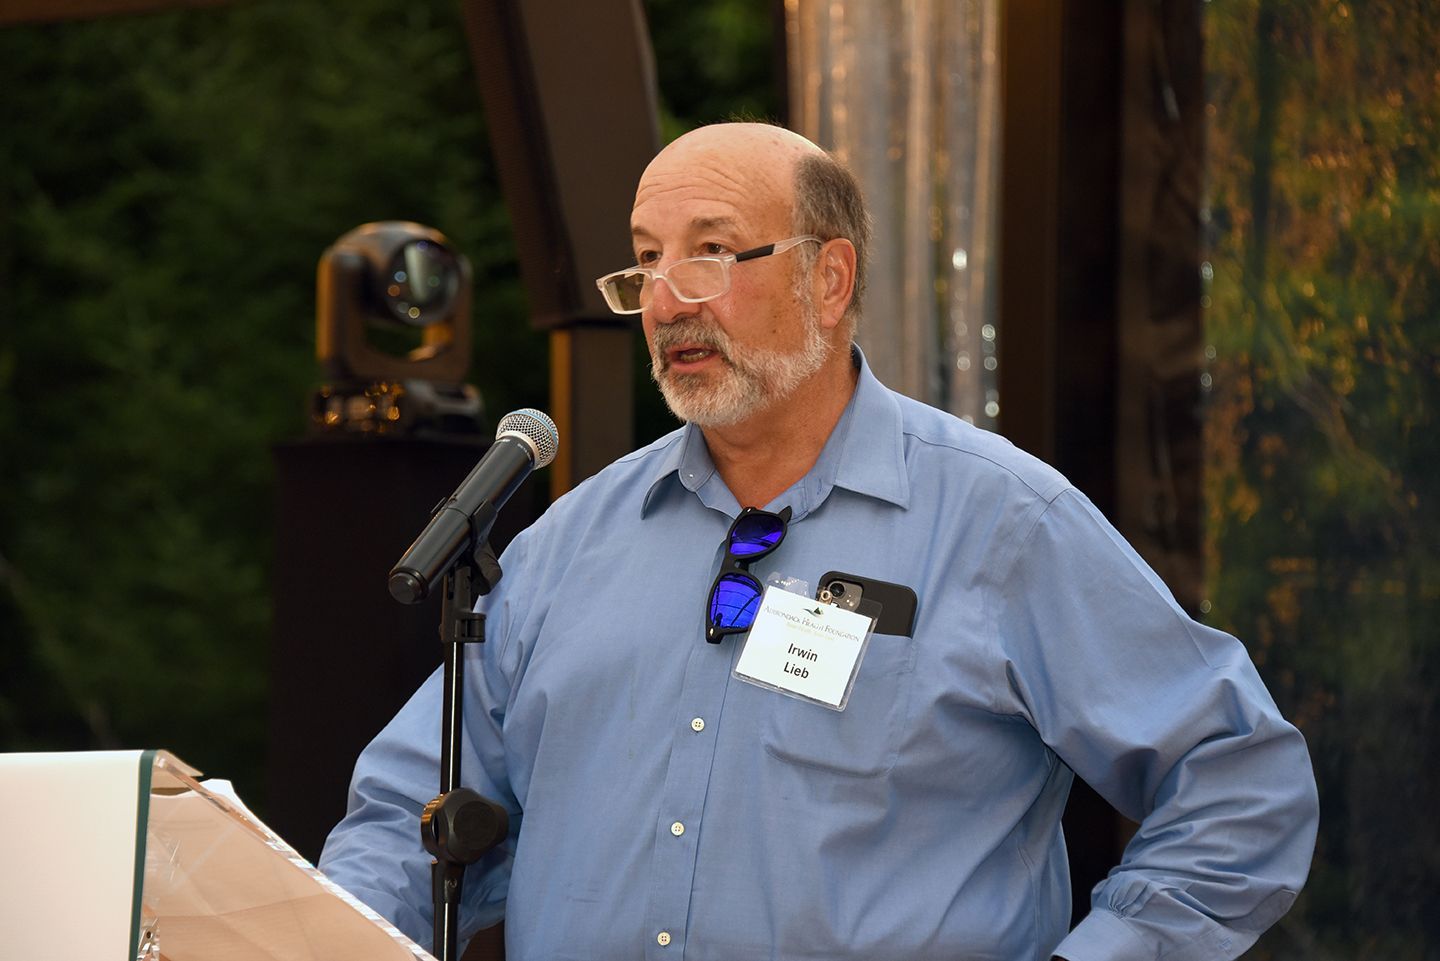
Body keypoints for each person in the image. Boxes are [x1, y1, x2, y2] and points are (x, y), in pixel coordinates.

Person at [319, 123, 1318, 961]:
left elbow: (1238, 780)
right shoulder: (570, 543)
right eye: (647, 260)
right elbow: (405, 818)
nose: (667, 299)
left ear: (828, 278)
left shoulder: (1001, 521)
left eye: (710, 251)